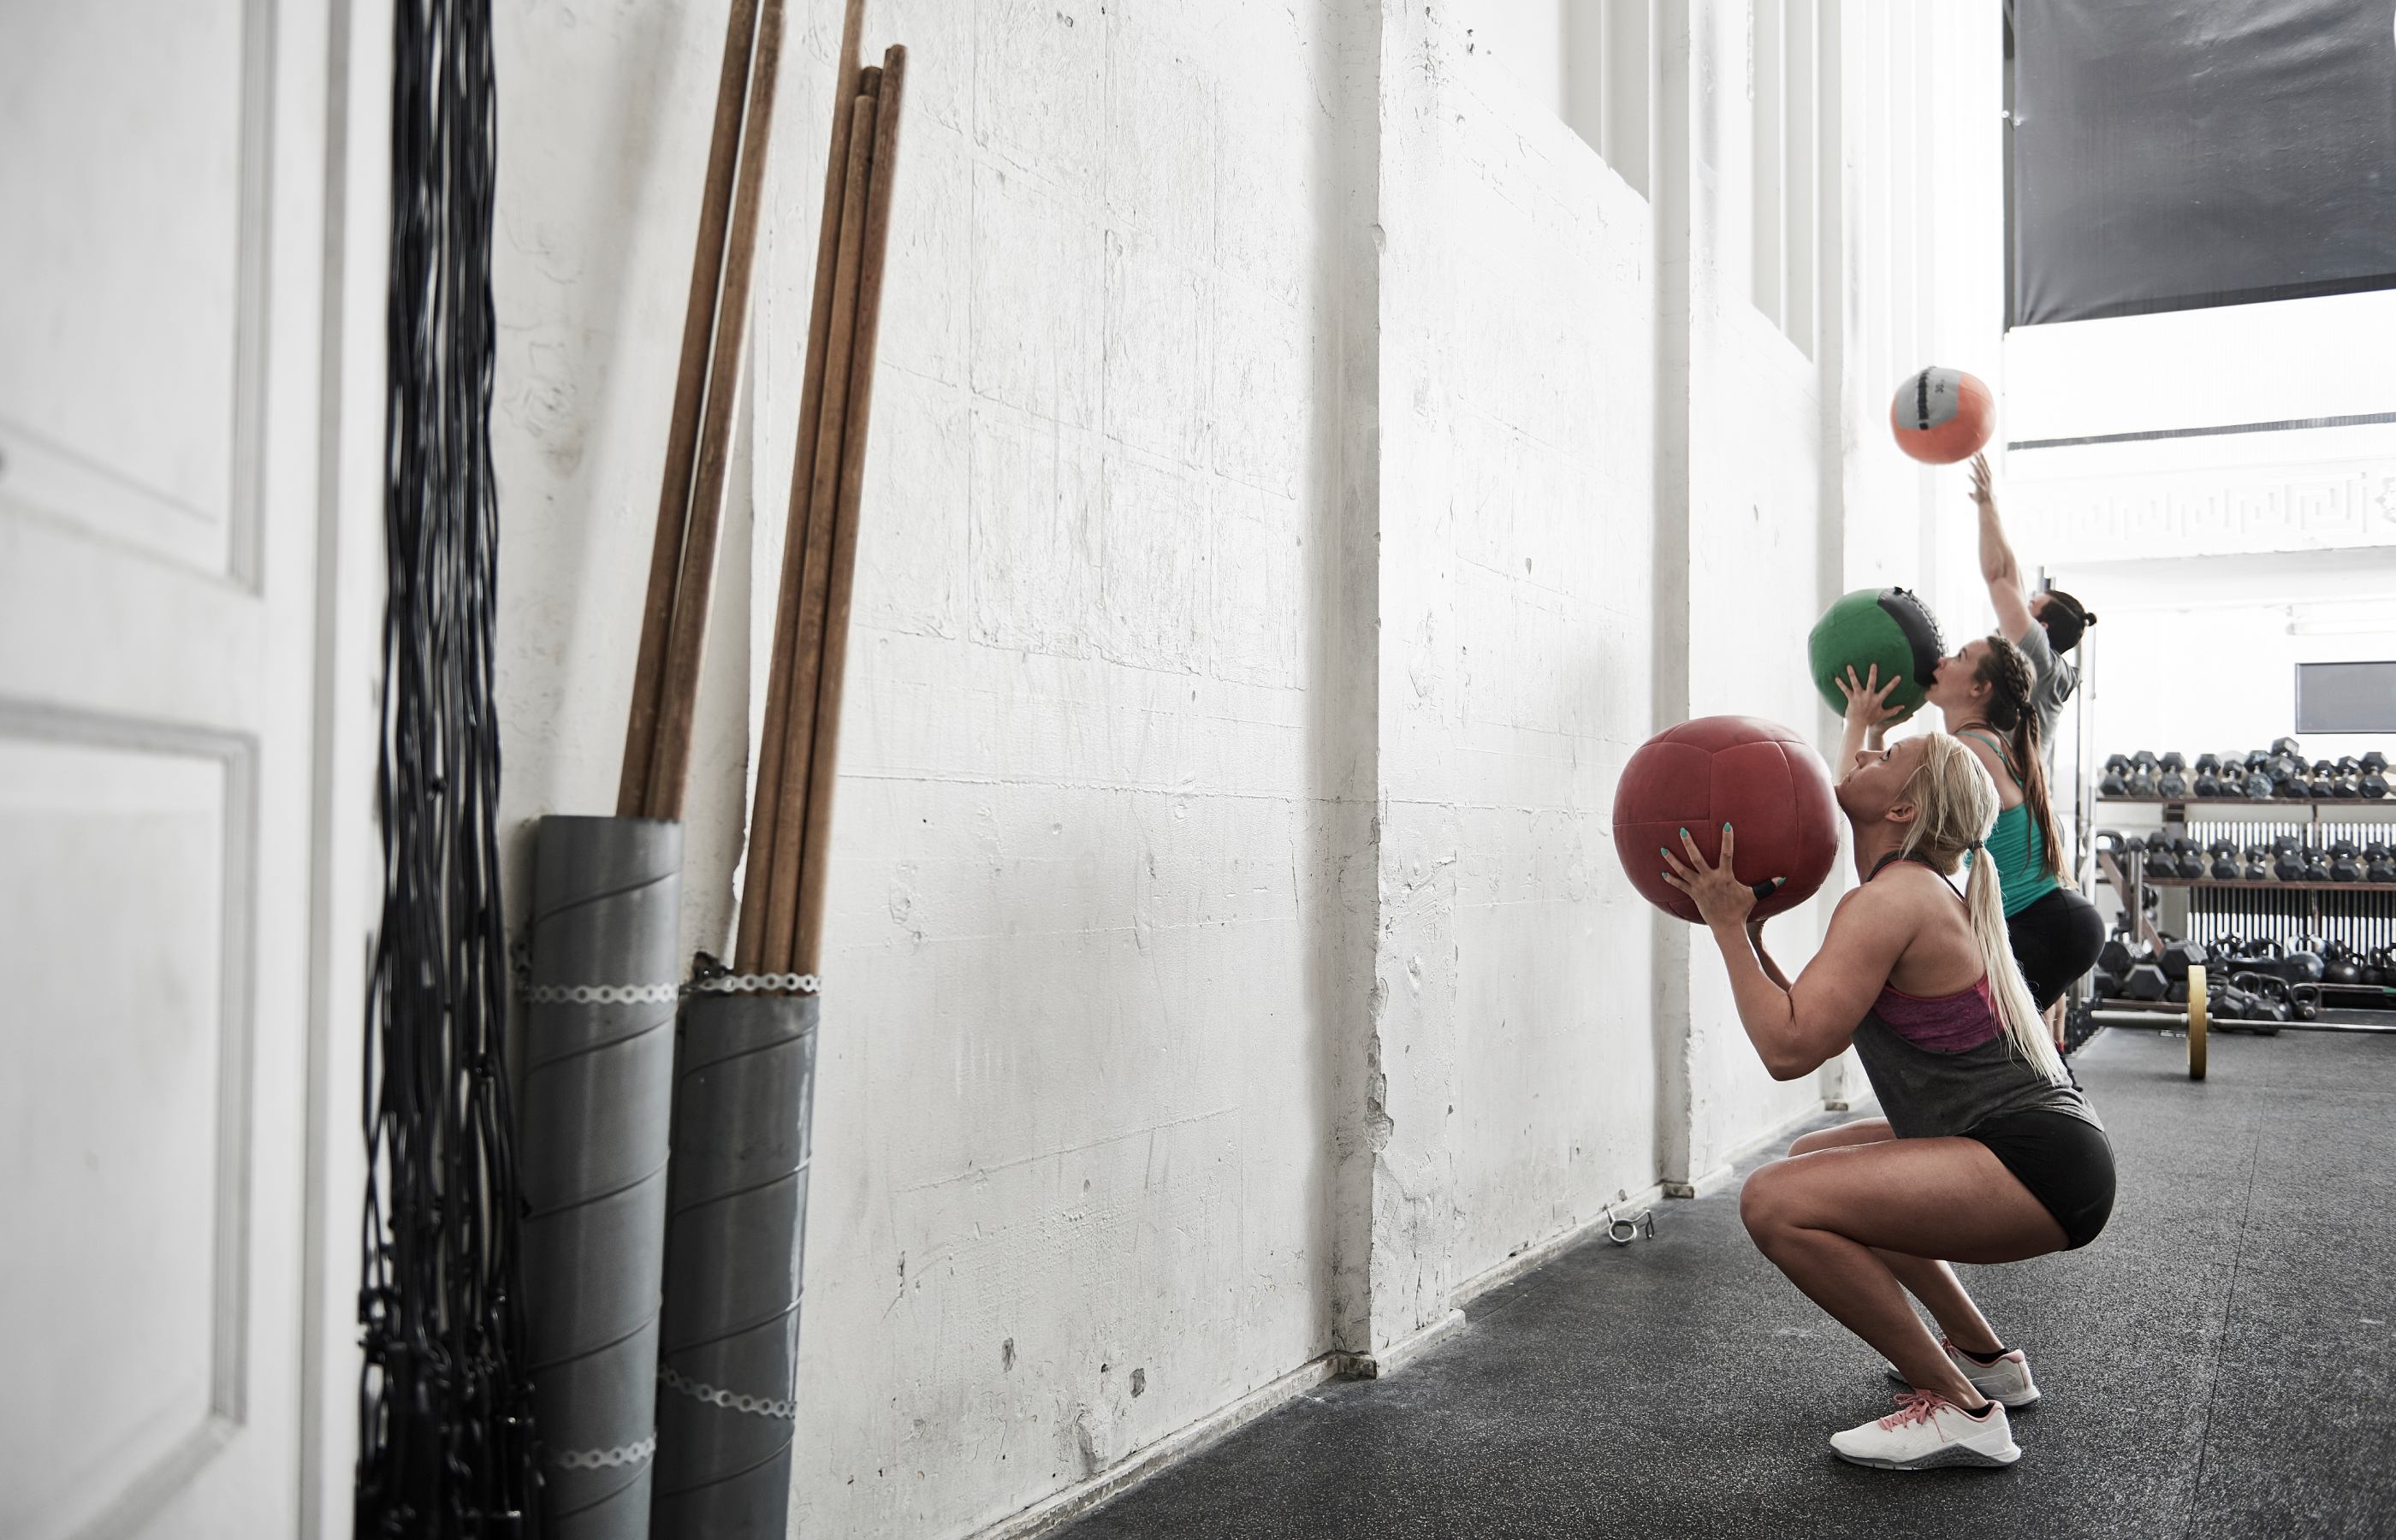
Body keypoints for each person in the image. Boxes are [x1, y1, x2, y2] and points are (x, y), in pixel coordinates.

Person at [1659, 731, 2114, 1471]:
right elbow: (1817, 1027)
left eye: (1887, 757)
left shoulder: (1894, 897)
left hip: (2035, 1164)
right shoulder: (1916, 890)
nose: (1865, 757)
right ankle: (1984, 1359)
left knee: (1774, 1200)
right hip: (2050, 1152)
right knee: (1813, 1159)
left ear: (1903, 809)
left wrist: (1727, 930)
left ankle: (1961, 1410)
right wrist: (1751, 939)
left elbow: (1787, 1052)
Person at [1836, 643, 2107, 1048]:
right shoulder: (1990, 743)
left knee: (1992, 1051)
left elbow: (1856, 795)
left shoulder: (1968, 751)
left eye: (1960, 657)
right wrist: (1876, 735)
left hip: (2044, 923)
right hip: (2057, 922)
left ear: (1979, 689)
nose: (1942, 660)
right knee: (2017, 1050)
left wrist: (1856, 720)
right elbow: (1883, 800)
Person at [1969, 452, 2096, 759]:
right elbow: (2010, 577)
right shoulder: (2043, 662)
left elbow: (1999, 577)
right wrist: (1990, 505)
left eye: (2030, 604)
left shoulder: (2037, 656)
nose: (2021, 604)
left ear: (2041, 627)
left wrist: (1986, 505)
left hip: (2015, 787)